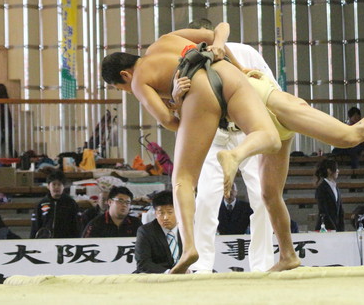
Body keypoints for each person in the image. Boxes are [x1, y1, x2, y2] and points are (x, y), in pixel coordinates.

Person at [103, 23, 364, 273]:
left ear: (124, 75)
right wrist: (217, 61)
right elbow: (220, 38)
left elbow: (174, 118)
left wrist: (181, 98)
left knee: (347, 136)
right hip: (241, 109)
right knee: (268, 193)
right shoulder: (179, 47)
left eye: (122, 88)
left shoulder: (163, 71)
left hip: (264, 100)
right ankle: (288, 256)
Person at [102, 23, 284, 273]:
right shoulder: (168, 40)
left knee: (184, 181)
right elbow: (221, 29)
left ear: (124, 75)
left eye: (119, 88)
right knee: (209, 199)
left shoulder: (140, 79)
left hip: (217, 116)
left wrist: (178, 104)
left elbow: (168, 121)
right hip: (231, 111)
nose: (126, 91)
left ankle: (195, 250)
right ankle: (203, 265)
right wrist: (231, 61)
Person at [187, 18, 274, 273]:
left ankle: (262, 265)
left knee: (263, 197)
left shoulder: (245, 52)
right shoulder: (187, 61)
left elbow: (271, 89)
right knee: (205, 199)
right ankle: (201, 265)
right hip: (213, 135)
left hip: (248, 133)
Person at [134, 190, 182, 274]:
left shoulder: (188, 229)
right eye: (161, 213)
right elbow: (143, 263)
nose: (165, 217)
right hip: (158, 275)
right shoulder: (146, 231)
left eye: (170, 212)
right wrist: (169, 272)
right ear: (155, 214)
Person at [30, 170, 82, 238]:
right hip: (45, 241)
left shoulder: (71, 204)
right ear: (48, 186)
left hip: (65, 241)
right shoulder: (41, 204)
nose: (56, 187)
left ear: (64, 186)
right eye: (54, 184)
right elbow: (35, 227)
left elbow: (77, 226)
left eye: (59, 184)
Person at [314, 158, 345, 231]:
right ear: (329, 170)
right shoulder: (321, 188)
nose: (338, 171)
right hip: (325, 227)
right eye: (336, 169)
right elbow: (323, 210)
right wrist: (333, 227)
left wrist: (341, 228)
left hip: (337, 227)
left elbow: (340, 210)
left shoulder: (336, 188)